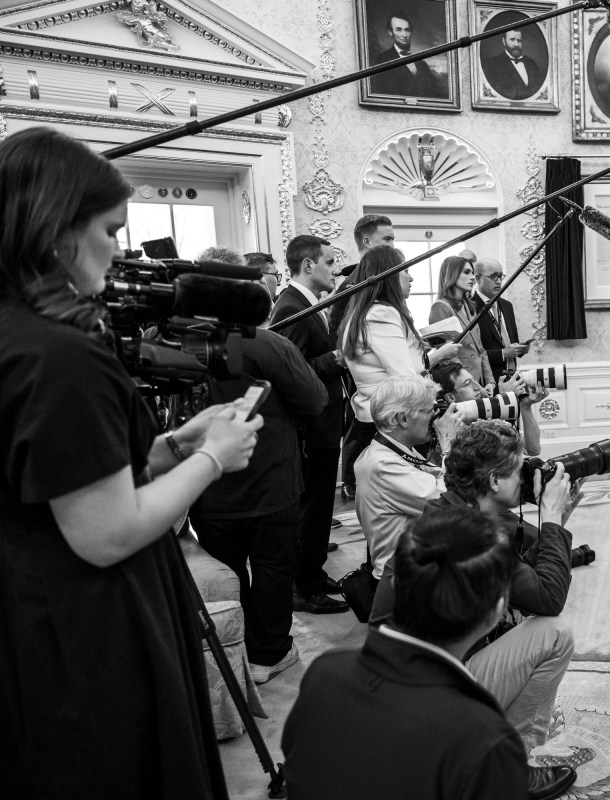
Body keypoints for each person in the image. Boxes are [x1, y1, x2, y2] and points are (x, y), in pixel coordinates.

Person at [0, 126, 261, 797]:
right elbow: (105, 532)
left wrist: (175, 446)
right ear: (56, 229)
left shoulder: (16, 334)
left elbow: (66, 471)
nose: (117, 252)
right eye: (110, 230)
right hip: (85, 623)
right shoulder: (60, 356)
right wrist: (213, 460)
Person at [282, 507, 576, 800]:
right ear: (497, 610)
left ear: (396, 583)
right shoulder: (481, 735)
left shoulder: (323, 672)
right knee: (555, 633)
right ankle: (521, 769)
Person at [371, 421, 577, 765]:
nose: (525, 479)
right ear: (494, 481)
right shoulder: (474, 536)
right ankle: (514, 761)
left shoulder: (449, 511)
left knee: (518, 621)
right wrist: (552, 522)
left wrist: (556, 527)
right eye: (517, 472)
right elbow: (548, 597)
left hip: (394, 683)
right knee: (554, 635)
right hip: (426, 698)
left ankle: (493, 733)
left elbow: (522, 575)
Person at [190, 315, 330, 679]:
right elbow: (314, 400)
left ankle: (240, 648)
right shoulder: (263, 342)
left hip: (206, 482)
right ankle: (269, 653)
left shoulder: (169, 341)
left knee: (227, 570)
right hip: (268, 480)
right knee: (273, 567)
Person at [269, 234, 350, 615]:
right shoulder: (290, 307)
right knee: (313, 509)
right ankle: (305, 587)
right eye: (330, 262)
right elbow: (287, 372)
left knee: (320, 508)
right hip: (310, 429)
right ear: (308, 265)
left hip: (325, 423)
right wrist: (333, 361)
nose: (335, 269)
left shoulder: (308, 303)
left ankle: (314, 573)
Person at [342, 245, 461, 494]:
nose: (411, 277)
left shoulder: (366, 312)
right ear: (387, 276)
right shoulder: (382, 313)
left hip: (379, 415)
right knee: (416, 497)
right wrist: (434, 406)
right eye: (404, 270)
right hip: (392, 420)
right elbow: (404, 376)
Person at [355, 375, 462, 584]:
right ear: (402, 419)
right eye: (429, 411)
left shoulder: (393, 451)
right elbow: (450, 501)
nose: (435, 417)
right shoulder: (383, 465)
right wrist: (448, 445)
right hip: (406, 583)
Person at [328, 214, 396, 501]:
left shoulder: (385, 278)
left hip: (387, 379)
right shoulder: (351, 285)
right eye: (387, 239)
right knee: (361, 431)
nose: (393, 244)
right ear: (367, 242)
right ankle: (354, 479)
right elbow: (340, 331)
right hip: (365, 377)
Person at [430, 359, 547, 456]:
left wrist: (525, 407)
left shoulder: (483, 413)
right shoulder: (451, 430)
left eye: (474, 380)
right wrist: (503, 401)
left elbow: (533, 449)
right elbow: (500, 460)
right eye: (467, 383)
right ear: (450, 397)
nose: (478, 387)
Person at [430, 255, 495, 386]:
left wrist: (490, 382)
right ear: (451, 274)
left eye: (472, 273)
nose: (472, 277)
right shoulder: (440, 307)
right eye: (466, 272)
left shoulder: (470, 305)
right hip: (461, 384)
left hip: (480, 380)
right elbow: (448, 357)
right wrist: (471, 383)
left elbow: (480, 349)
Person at [472, 257, 528, 377]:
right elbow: (472, 355)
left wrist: (520, 349)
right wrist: (503, 353)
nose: (498, 281)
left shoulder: (507, 306)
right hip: (488, 380)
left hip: (512, 375)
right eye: (493, 276)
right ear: (478, 278)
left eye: (500, 276)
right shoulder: (471, 309)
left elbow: (512, 342)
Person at [368, 13, 440, 98]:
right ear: (390, 32)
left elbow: (434, 95)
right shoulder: (381, 60)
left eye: (407, 30)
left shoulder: (423, 65)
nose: (404, 35)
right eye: (399, 30)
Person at [483, 29, 545, 101]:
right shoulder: (493, 64)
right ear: (504, 41)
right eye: (512, 40)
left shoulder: (531, 63)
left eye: (519, 40)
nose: (516, 44)